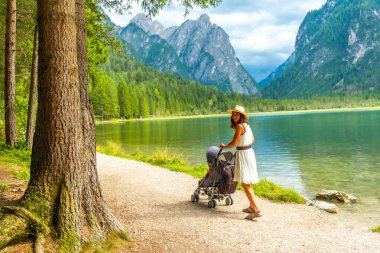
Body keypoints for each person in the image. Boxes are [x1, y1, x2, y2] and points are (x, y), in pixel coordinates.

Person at [219, 105, 261, 220]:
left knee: (245, 183)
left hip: (243, 154)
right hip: (249, 152)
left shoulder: (239, 127)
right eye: (233, 114)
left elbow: (234, 143)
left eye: (237, 114)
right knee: (246, 182)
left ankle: (256, 209)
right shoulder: (247, 125)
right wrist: (244, 143)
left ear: (241, 116)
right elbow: (252, 139)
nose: (234, 116)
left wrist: (224, 147)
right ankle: (251, 207)